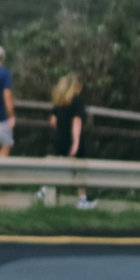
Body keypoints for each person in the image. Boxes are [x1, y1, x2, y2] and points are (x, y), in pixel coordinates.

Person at [50, 72, 96, 209]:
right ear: (77, 86)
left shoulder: (60, 100)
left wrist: (61, 130)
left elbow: (53, 121)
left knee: (56, 167)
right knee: (79, 169)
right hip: (71, 140)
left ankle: (45, 190)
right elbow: (77, 120)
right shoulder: (77, 100)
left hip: (59, 139)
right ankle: (82, 199)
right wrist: (75, 142)